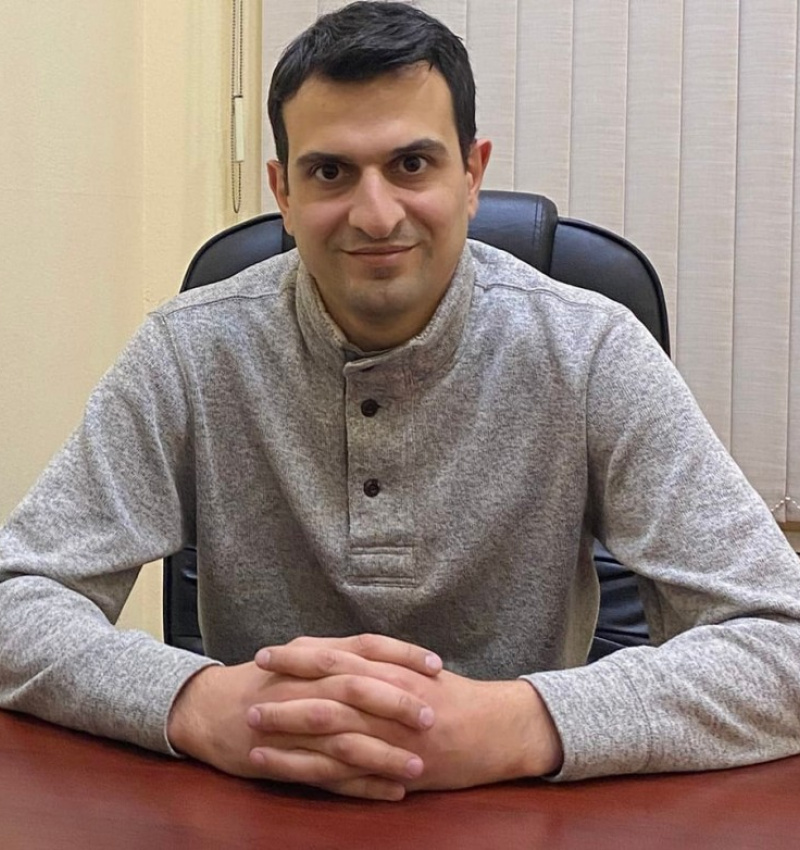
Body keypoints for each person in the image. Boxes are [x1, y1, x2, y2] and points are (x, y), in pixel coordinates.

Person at [1, 0, 799, 803]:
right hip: (257, 807)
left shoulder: (591, 352)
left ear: (472, 175)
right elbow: (16, 601)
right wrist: (197, 703)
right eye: (330, 172)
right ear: (282, 191)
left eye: (412, 164)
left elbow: (782, 643)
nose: (376, 214)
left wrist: (515, 724)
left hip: (519, 807)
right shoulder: (189, 351)